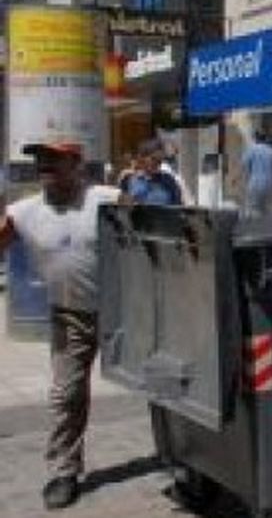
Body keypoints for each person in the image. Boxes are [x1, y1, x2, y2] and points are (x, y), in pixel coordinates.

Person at [0, 141, 123, 510]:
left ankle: (181, 455)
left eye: (54, 158)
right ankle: (63, 471)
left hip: (126, 311)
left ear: (76, 163)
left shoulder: (108, 198)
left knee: (163, 383)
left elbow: (159, 233)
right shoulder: (23, 212)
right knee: (66, 394)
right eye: (40, 159)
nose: (45, 164)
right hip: (70, 315)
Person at [120, 139, 184, 206]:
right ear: (142, 158)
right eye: (153, 159)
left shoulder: (168, 180)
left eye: (160, 160)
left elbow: (177, 206)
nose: (157, 163)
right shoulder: (129, 180)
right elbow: (123, 207)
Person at [240, 130, 272, 218]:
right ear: (265, 139)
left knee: (253, 208)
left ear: (256, 139)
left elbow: (244, 165)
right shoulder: (271, 151)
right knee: (266, 209)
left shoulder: (251, 150)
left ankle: (256, 227)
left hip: (255, 182)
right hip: (269, 184)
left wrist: (243, 178)